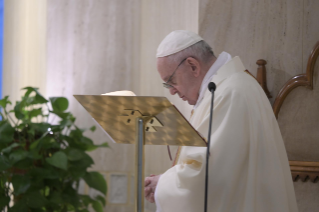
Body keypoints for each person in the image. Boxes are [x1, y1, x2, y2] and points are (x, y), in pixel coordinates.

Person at [144, 30, 298, 212]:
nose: (172, 91)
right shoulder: (226, 88)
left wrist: (162, 185)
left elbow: (210, 175)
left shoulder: (229, 94)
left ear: (193, 66)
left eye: (171, 81)